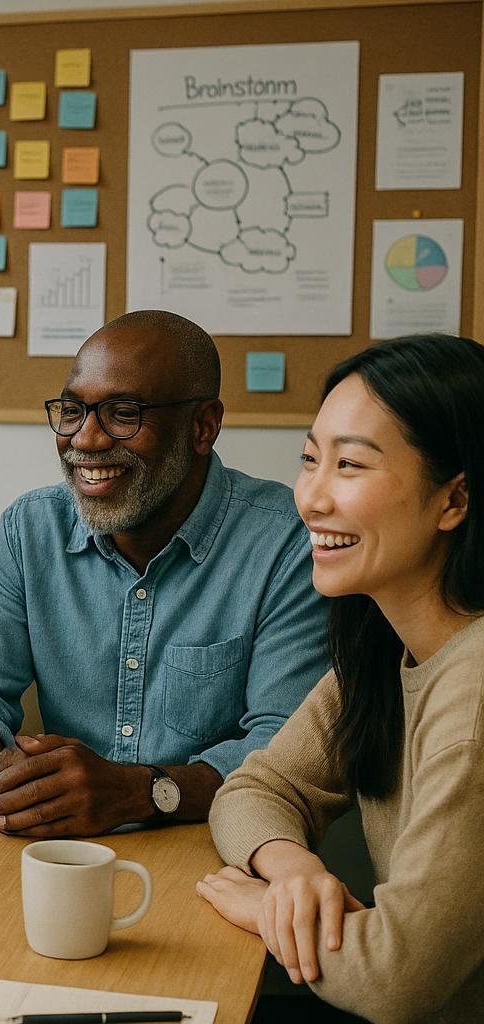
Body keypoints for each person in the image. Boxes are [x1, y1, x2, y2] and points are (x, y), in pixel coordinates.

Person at [0, 310, 326, 836]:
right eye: (71, 411)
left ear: (203, 426)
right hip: (57, 849)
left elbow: (287, 748)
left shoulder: (286, 544)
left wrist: (140, 793)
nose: (85, 440)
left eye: (123, 414)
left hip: (215, 846)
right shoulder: (30, 529)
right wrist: (2, 781)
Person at [200, 334, 484, 1021]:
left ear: (454, 500)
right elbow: (257, 786)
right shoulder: (382, 636)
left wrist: (264, 906)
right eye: (309, 459)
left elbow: (397, 978)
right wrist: (292, 870)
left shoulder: (475, 692)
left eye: (350, 464)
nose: (311, 499)